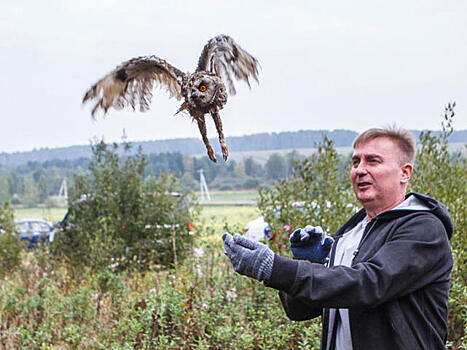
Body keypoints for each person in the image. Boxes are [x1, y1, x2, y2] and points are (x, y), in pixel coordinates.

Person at [223, 127, 453, 350]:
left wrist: (274, 268)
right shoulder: (348, 234)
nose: (360, 170)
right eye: (355, 162)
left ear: (405, 172)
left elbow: (369, 284)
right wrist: (310, 262)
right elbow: (300, 311)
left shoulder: (424, 230)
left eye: (373, 161)